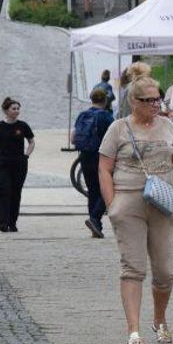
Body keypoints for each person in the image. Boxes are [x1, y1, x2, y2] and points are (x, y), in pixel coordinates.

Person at [99, 76, 173, 344]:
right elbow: (104, 167)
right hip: (128, 199)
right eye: (148, 100)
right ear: (133, 101)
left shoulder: (168, 126)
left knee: (165, 270)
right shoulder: (118, 128)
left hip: (163, 202)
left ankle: (160, 319)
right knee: (133, 267)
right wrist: (112, 204)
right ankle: (134, 329)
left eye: (157, 98)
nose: (154, 104)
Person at [0, 98, 35, 233]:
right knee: (3, 190)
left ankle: (12, 222)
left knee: (16, 192)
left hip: (19, 164)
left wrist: (26, 155)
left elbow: (31, 142)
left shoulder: (23, 126)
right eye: (14, 108)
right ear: (6, 110)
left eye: (18, 108)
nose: (16, 111)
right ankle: (2, 221)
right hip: (3, 164)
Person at [73, 88, 114, 238]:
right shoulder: (106, 117)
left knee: (92, 191)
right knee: (108, 189)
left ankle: (95, 225)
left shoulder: (83, 115)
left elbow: (73, 138)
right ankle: (95, 218)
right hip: (101, 157)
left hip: (84, 156)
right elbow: (114, 137)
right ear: (105, 100)